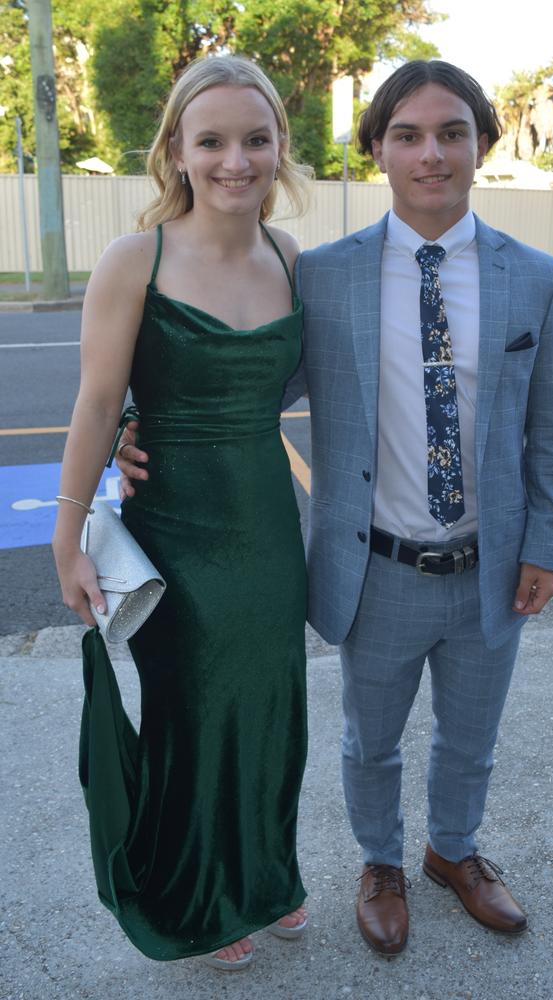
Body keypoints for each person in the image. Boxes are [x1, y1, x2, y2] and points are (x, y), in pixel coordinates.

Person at [118, 59, 553, 957]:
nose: (432, 154)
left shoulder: (539, 276)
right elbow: (250, 380)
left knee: (471, 737)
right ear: (377, 151)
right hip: (379, 568)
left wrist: (548, 546)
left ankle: (454, 852)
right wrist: (144, 426)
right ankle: (381, 865)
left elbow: (552, 428)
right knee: (371, 741)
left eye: (452, 133)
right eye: (407, 135)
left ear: (482, 143)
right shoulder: (327, 275)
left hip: (491, 559)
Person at [52, 55, 313, 970]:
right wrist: (67, 535)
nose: (234, 160)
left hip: (268, 531)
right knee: (192, 713)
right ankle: (203, 891)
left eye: (255, 139)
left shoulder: (291, 258)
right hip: (179, 529)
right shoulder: (138, 258)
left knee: (274, 706)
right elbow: (95, 402)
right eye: (212, 141)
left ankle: (267, 873)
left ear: (281, 149)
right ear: (176, 151)